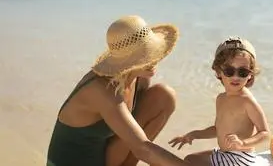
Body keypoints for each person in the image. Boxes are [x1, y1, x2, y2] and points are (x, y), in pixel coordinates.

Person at [46, 15, 196, 166]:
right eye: (143, 56)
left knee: (163, 96)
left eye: (150, 52)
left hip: (101, 157)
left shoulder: (138, 77)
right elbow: (143, 148)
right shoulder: (102, 91)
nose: (154, 59)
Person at [168, 36, 270, 166]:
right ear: (218, 71)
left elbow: (265, 133)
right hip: (225, 154)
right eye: (229, 71)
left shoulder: (246, 101)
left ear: (250, 74)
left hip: (240, 158)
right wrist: (193, 135)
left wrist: (243, 143)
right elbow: (218, 130)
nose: (236, 76)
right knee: (190, 159)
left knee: (190, 162)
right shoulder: (221, 98)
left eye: (243, 72)